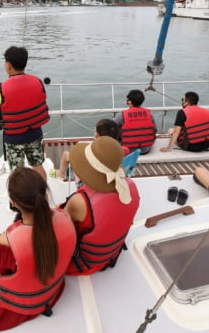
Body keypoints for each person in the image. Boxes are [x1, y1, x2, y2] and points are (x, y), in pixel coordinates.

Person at [0, 168, 77, 332]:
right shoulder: (64, 217)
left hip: (22, 305)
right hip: (52, 291)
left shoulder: (8, 240)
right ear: (45, 195)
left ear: (13, 203)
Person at [60, 136, 140, 275]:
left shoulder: (80, 201)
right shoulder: (130, 187)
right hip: (112, 254)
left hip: (82, 264)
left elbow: (59, 229)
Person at [0, 46, 50, 181]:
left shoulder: (0, 88)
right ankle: (43, 195)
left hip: (14, 138)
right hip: (35, 133)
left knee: (18, 173)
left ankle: (19, 200)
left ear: (9, 66)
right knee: (38, 166)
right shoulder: (38, 81)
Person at [53, 118, 130, 181]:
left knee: (66, 154)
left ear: (97, 134)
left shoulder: (90, 151)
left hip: (89, 182)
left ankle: (61, 173)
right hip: (112, 180)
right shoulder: (124, 151)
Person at [114, 89, 157, 154]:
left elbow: (111, 129)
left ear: (129, 102)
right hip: (146, 148)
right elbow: (155, 130)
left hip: (128, 149)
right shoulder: (149, 114)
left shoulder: (122, 115)